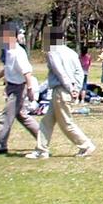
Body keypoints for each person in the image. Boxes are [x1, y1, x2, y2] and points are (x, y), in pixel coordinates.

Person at [26, 28, 96, 159]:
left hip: (61, 90)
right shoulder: (71, 52)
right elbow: (79, 73)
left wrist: (71, 89)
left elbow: (60, 73)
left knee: (66, 123)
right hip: (66, 90)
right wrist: (77, 88)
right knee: (46, 122)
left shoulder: (52, 53)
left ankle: (86, 145)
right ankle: (42, 150)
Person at [0, 22, 40, 154]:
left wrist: (29, 89)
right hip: (12, 86)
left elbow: (27, 72)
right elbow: (6, 68)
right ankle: (43, 137)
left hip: (18, 88)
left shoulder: (18, 52)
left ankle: (0, 147)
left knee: (6, 117)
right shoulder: (9, 51)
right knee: (22, 116)